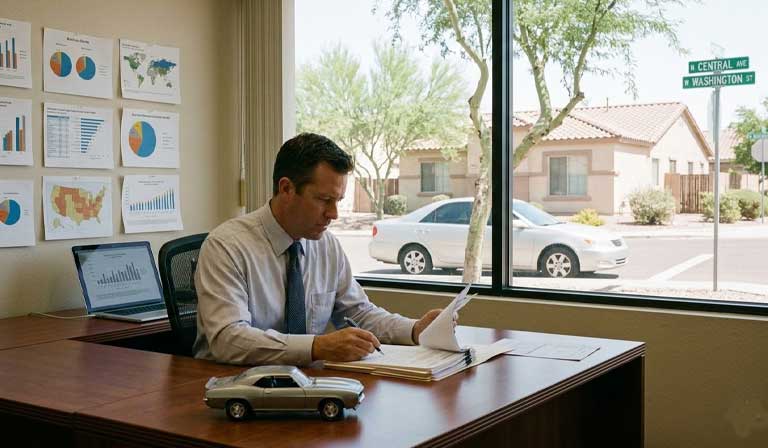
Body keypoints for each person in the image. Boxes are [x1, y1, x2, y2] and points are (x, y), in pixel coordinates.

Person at [194, 133, 442, 365]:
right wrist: (315, 347)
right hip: (232, 387)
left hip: (306, 386)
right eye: (324, 200)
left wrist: (414, 329)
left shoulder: (326, 245)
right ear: (286, 189)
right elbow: (228, 340)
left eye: (338, 201)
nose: (333, 214)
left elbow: (360, 314)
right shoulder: (226, 247)